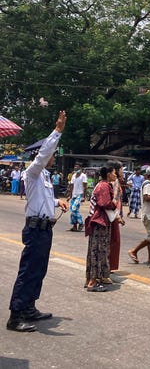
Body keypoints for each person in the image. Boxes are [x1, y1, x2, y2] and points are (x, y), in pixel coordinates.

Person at [7, 111, 69, 332]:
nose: (52, 157)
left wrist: (56, 202)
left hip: (44, 229)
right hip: (34, 229)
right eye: (50, 153)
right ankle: (16, 316)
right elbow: (43, 156)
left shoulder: (44, 177)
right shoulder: (32, 172)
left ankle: (29, 307)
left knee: (39, 270)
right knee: (29, 271)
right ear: (40, 155)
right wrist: (57, 132)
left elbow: (41, 200)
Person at [85, 165, 118, 292]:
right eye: (114, 173)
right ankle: (93, 282)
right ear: (108, 174)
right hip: (100, 223)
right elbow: (104, 203)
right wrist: (114, 204)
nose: (115, 175)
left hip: (99, 222)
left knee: (97, 250)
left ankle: (94, 278)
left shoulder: (101, 185)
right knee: (98, 251)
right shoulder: (104, 186)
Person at [128, 167, 150, 265]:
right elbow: (146, 197)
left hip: (149, 214)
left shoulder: (149, 184)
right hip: (149, 214)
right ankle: (134, 250)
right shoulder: (148, 185)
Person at [108, 162, 126, 277]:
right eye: (121, 170)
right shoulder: (115, 182)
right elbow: (114, 200)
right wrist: (117, 216)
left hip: (115, 214)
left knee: (114, 241)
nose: (122, 172)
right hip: (113, 215)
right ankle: (108, 266)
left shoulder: (117, 182)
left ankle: (109, 266)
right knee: (113, 241)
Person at [67, 164, 87, 232]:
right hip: (73, 195)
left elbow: (85, 186)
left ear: (80, 168)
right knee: (72, 211)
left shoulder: (83, 176)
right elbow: (71, 186)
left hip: (79, 195)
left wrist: (84, 197)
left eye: (77, 166)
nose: (75, 168)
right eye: (75, 166)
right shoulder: (73, 176)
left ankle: (81, 223)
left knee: (74, 208)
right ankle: (74, 225)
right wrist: (69, 196)